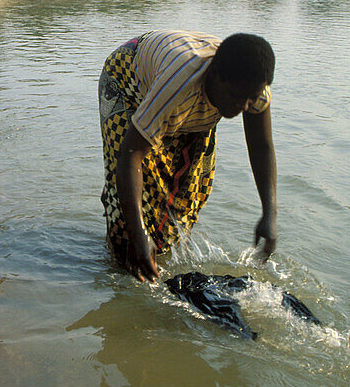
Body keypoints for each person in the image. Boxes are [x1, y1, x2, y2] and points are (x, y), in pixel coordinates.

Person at [98, 30, 277, 282]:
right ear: (214, 76)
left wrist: (269, 213)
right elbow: (130, 154)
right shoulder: (181, 82)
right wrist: (138, 234)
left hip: (187, 98)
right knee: (137, 199)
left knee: (189, 189)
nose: (244, 107)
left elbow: (261, 146)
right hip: (127, 81)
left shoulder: (253, 89)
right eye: (236, 97)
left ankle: (159, 253)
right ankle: (124, 265)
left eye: (251, 99)